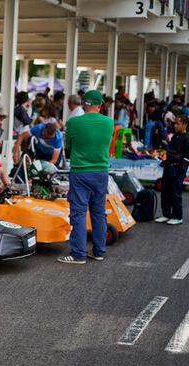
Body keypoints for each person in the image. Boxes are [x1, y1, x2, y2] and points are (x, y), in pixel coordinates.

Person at [58, 90, 114, 264]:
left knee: (79, 213)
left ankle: (78, 254)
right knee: (98, 213)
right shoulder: (109, 122)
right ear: (100, 105)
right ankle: (98, 251)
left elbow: (68, 147)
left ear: (84, 104)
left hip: (81, 172)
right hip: (101, 172)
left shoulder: (74, 122)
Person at [154, 115, 189, 225]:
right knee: (165, 191)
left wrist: (181, 169)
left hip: (178, 169)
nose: (175, 125)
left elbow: (188, 157)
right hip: (169, 166)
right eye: (175, 123)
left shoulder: (188, 138)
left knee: (175, 192)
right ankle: (166, 214)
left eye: (178, 124)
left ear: (185, 125)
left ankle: (177, 216)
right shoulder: (175, 136)